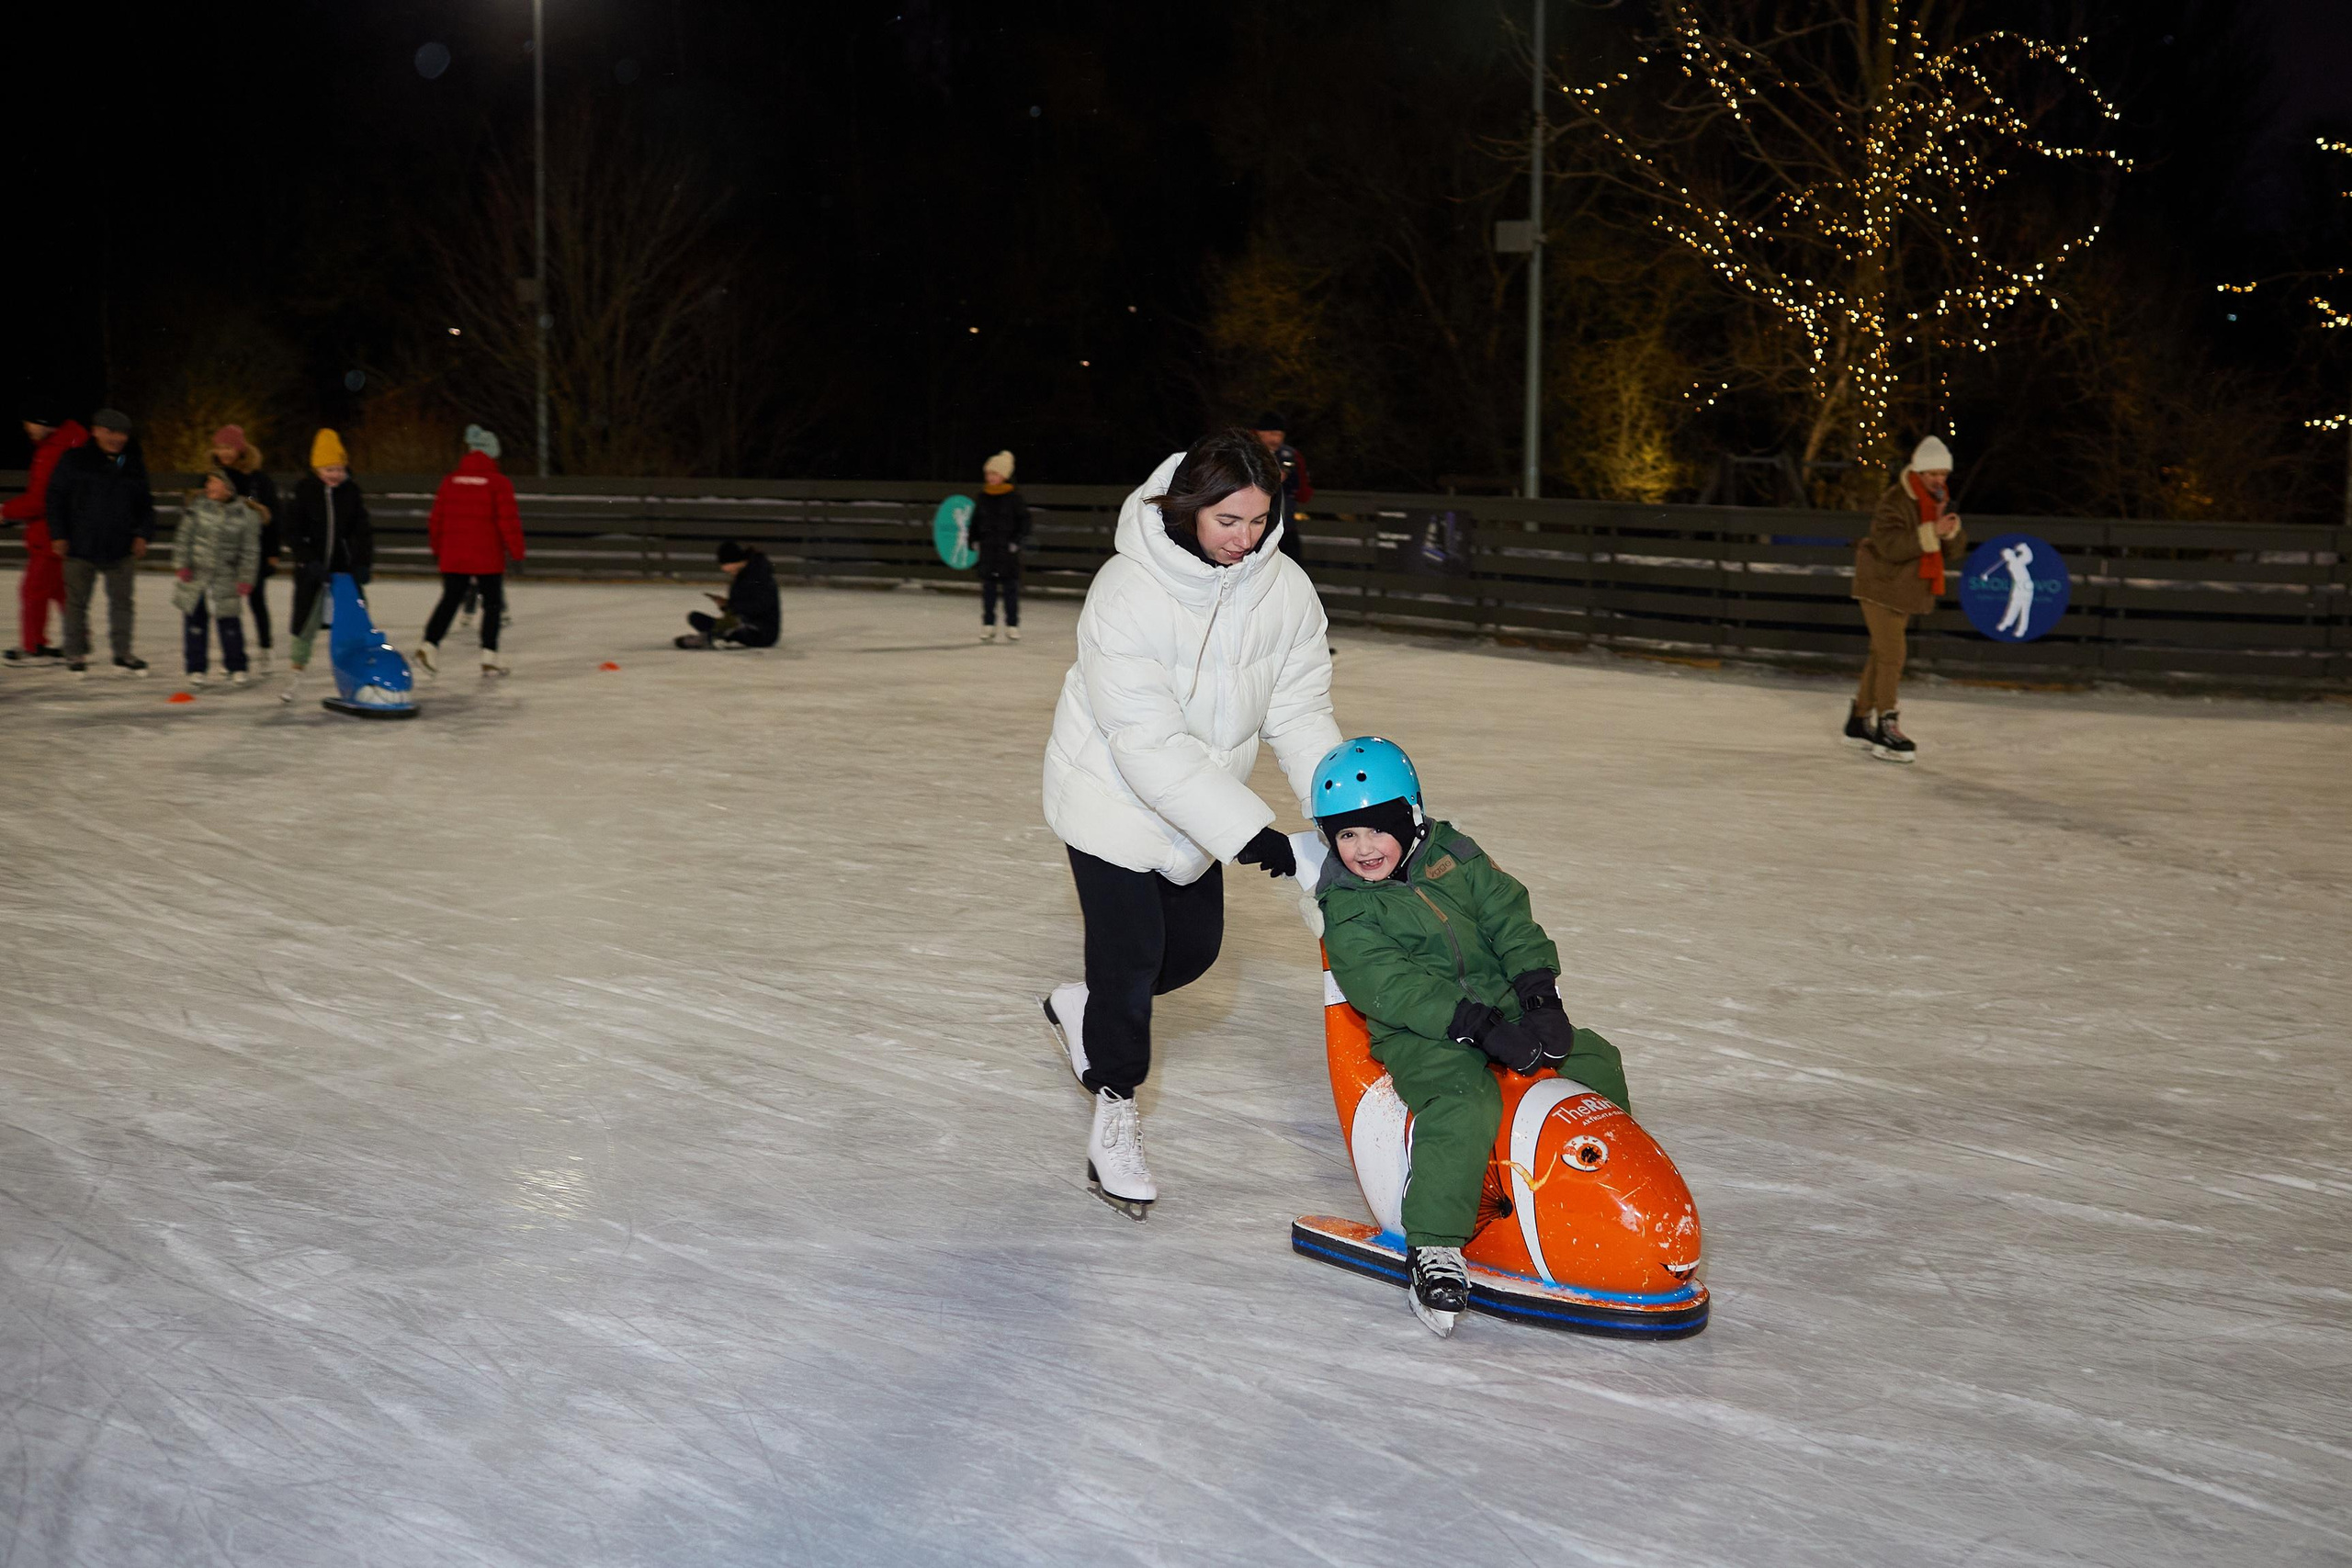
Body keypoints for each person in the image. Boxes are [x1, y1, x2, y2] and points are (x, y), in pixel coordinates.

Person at [1038, 428, 1340, 1219]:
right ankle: (1115, 1111)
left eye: (1258, 519)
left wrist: (1342, 812)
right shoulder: (1126, 590)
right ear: (1189, 509)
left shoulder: (1284, 590)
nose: (1245, 539)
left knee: (1195, 953)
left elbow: (1301, 713)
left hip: (1199, 806)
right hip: (1110, 795)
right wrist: (1257, 837)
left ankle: (1087, 1003)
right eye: (1227, 522)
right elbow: (1145, 743)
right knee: (1133, 960)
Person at [1308, 735, 1632, 1336]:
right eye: (1344, 834)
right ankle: (1435, 1242)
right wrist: (1476, 1027)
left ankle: (1596, 1195)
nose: (1362, 848)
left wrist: (1539, 997)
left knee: (1593, 1060)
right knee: (1465, 1101)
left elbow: (1507, 916)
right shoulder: (1347, 908)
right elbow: (1390, 987)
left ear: (1409, 816)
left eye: (1375, 828)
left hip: (1503, 1002)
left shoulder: (1453, 854)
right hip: (1423, 1033)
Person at [1846, 434, 1966, 763]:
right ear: (1918, 471)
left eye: (1943, 474)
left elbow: (1954, 552)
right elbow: (1890, 546)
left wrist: (1950, 530)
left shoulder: (1938, 501)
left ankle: (1858, 721)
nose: (1938, 480)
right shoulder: (1896, 499)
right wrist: (1932, 532)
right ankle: (1887, 724)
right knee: (1893, 655)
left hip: (1905, 591)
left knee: (1880, 653)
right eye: (1932, 474)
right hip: (1880, 585)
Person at [44, 408, 153, 674]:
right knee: (76, 603)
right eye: (110, 431)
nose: (117, 438)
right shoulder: (74, 459)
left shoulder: (132, 463)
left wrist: (142, 534)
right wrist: (58, 534)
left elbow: (145, 504)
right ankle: (75, 653)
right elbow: (55, 498)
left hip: (121, 546)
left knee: (122, 603)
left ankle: (123, 653)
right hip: (80, 545)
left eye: (122, 433)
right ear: (95, 431)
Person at [416, 424, 525, 677]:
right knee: (493, 604)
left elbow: (436, 520)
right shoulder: (498, 483)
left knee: (451, 599)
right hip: (487, 555)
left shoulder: (450, 481)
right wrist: (517, 552)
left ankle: (429, 645)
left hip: (454, 554)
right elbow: (508, 521)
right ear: (492, 455)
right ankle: (489, 655)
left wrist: (437, 550)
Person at [283, 429, 372, 676]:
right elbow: (292, 531)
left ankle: (357, 664)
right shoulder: (304, 491)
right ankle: (298, 663)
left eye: (339, 469)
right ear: (317, 470)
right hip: (312, 567)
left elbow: (361, 531)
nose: (335, 475)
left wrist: (363, 562)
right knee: (306, 618)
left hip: (344, 569)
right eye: (328, 470)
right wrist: (307, 560)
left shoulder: (351, 492)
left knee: (355, 614)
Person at [3, 410, 86, 662]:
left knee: (34, 590)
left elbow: (41, 499)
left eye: (29, 421)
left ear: (44, 422)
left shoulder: (54, 451)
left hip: (51, 533)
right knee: (62, 591)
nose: (26, 426)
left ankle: (34, 646)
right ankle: (78, 641)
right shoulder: (64, 443)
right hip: (63, 530)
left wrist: (7, 511)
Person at [173, 468, 262, 686]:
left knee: (229, 622)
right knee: (195, 621)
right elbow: (184, 537)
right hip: (197, 573)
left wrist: (245, 578)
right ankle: (196, 667)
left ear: (228, 487)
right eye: (208, 483)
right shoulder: (197, 508)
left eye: (215, 482)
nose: (209, 487)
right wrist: (182, 564)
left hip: (226, 575)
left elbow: (250, 550)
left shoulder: (245, 514)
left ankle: (237, 666)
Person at [208, 425, 281, 675]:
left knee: (257, 600)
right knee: (226, 604)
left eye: (229, 447)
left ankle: (265, 648)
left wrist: (273, 552)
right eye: (220, 447)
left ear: (240, 449)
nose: (224, 453)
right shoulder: (213, 478)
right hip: (224, 554)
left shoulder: (258, 480)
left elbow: (272, 516)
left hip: (253, 552)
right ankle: (232, 654)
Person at [970, 448, 1030, 642]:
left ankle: (1012, 625)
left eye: (994, 473)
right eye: (988, 473)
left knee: (1010, 590)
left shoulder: (1014, 498)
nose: (990, 477)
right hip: (988, 552)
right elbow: (975, 521)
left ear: (1003, 475)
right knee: (988, 590)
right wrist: (974, 540)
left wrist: (1016, 541)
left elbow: (1024, 521)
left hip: (1007, 553)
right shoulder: (982, 497)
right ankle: (988, 625)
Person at [673, 540, 779, 648]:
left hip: (762, 631)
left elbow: (761, 606)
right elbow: (740, 606)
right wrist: (725, 606)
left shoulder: (759, 575)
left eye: (724, 564)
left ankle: (713, 635)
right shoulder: (741, 576)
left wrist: (731, 606)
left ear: (732, 561)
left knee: (735, 629)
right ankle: (716, 634)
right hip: (741, 624)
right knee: (695, 618)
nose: (723, 569)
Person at [1250, 412, 1313, 567]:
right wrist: (1269, 478)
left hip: (1286, 528)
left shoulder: (1291, 456)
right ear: (1259, 433)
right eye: (1272, 434)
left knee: (1292, 570)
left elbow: (1304, 493)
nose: (1276, 440)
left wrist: (1292, 478)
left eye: (1280, 435)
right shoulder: (1246, 453)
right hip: (1256, 529)